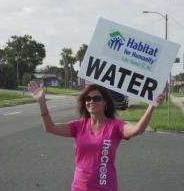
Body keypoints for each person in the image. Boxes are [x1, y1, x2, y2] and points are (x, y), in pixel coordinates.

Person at [28, 81, 166, 191]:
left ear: (105, 102)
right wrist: (41, 102)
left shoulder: (115, 126)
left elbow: (137, 129)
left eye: (96, 98)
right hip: (79, 187)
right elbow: (50, 127)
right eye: (88, 98)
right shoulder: (79, 125)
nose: (91, 101)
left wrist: (151, 105)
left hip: (105, 187)